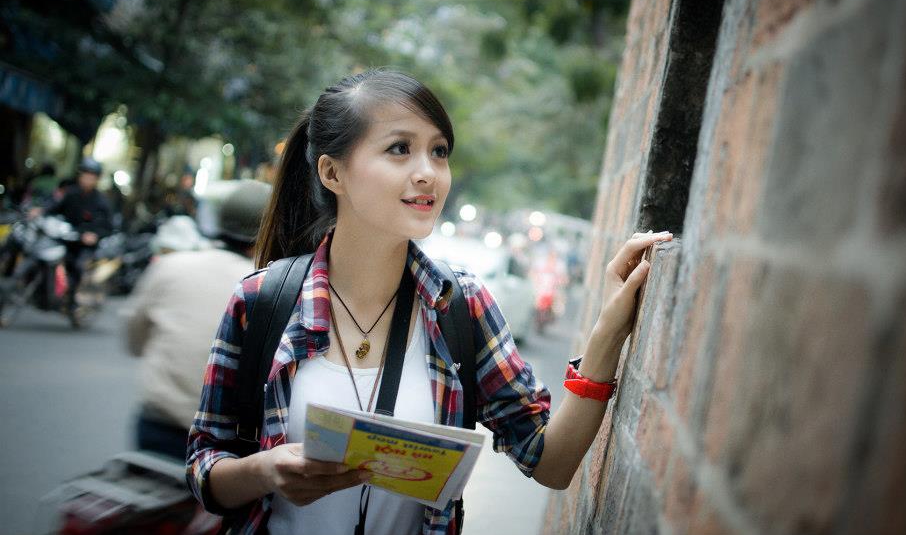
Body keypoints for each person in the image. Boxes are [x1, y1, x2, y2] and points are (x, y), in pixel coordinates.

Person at [186, 70, 672, 535]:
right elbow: (204, 467)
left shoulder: (461, 306)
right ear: (333, 172)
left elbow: (551, 463)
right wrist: (264, 471)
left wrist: (608, 333)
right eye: (400, 148)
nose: (429, 174)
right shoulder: (261, 300)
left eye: (439, 152)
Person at [126, 180, 271, 460]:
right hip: (223, 446)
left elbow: (134, 339)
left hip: (157, 424)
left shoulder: (171, 266)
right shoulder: (267, 286)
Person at [33, 158, 113, 316]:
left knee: (78, 266)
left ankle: (71, 301)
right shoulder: (71, 193)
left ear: (96, 179)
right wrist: (40, 211)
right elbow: (54, 207)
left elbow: (108, 227)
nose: (87, 179)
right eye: (85, 174)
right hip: (66, 238)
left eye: (91, 176)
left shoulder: (101, 202)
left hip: (84, 246)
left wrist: (95, 235)